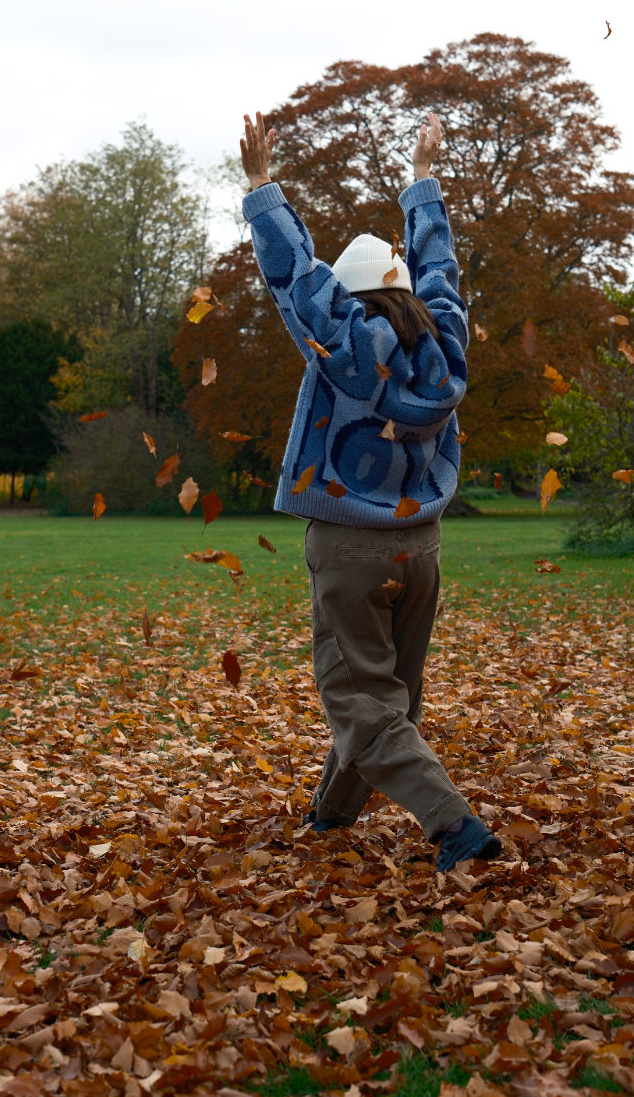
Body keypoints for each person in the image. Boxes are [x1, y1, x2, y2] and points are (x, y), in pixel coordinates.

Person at [238, 110, 501, 872]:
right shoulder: (446, 344)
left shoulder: (343, 343)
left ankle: (454, 827)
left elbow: (294, 275)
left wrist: (262, 186)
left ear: (348, 301)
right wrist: (423, 180)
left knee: (358, 700)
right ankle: (331, 815)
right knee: (391, 699)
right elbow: (441, 271)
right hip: (421, 547)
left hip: (352, 548)